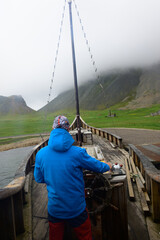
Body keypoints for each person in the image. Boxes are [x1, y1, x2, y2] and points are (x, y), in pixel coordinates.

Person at [34, 115, 112, 240]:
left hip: (55, 209)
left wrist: (53, 178)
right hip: (76, 209)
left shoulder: (40, 154)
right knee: (85, 236)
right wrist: (108, 165)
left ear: (52, 128)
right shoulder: (78, 152)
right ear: (68, 129)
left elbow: (38, 178)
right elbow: (98, 167)